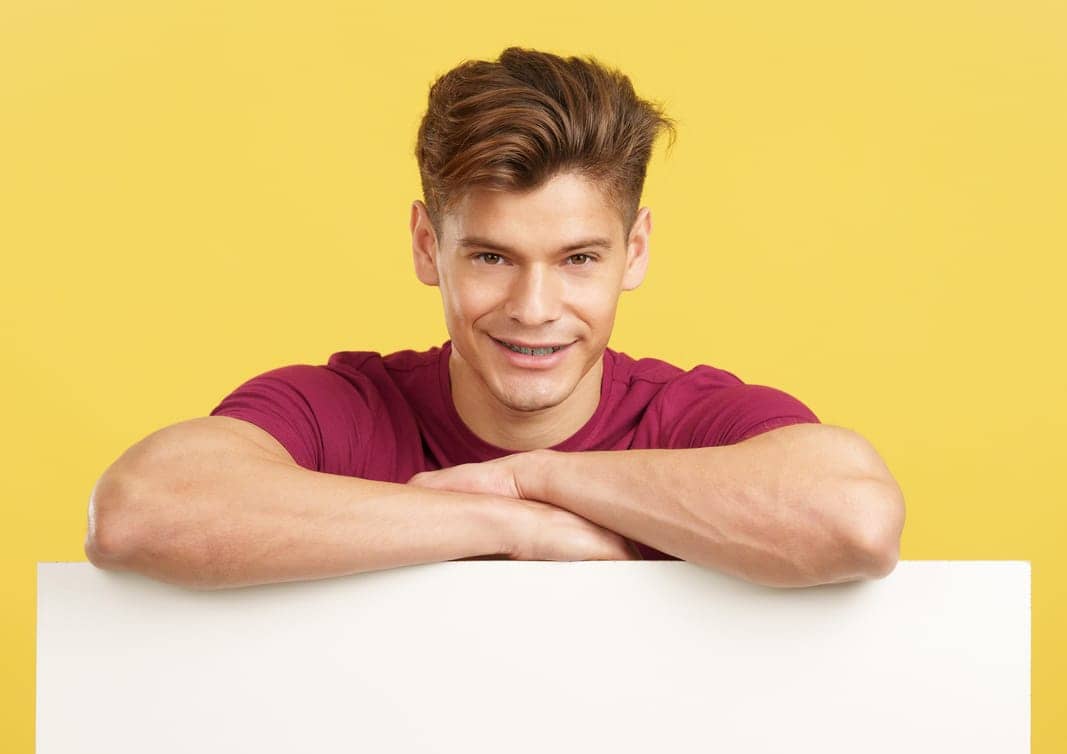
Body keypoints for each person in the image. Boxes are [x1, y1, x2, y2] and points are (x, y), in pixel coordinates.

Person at [85, 46, 905, 590]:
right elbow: (139, 512)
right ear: (424, 245)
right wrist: (509, 528)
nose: (534, 310)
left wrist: (531, 475)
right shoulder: (340, 410)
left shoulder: (696, 420)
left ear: (636, 251)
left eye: (578, 259)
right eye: (490, 258)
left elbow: (853, 522)